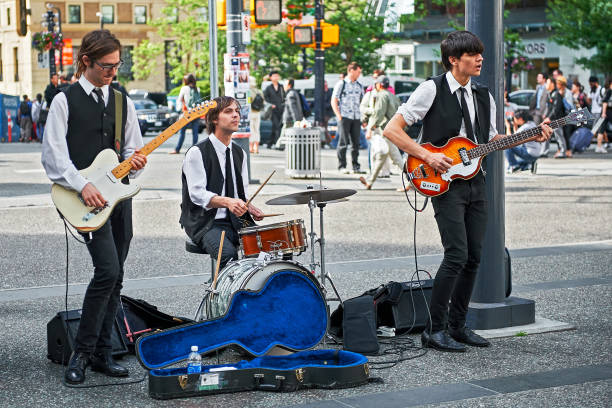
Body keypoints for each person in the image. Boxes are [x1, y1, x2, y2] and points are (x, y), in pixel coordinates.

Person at [383, 31, 552, 352]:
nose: (480, 59)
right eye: (473, 55)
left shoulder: (482, 95)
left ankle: (458, 327)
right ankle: (434, 329)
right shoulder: (430, 89)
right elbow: (391, 129)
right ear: (453, 60)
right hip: (443, 182)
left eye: (480, 54)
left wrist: (528, 136)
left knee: (475, 256)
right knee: (456, 254)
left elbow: (489, 140)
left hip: (476, 180)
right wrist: (426, 154)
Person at [41, 29, 147, 384]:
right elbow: (53, 156)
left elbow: (132, 147)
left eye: (117, 66)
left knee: (116, 276)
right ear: (86, 61)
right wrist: (82, 185)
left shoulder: (121, 99)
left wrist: (135, 161)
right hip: (82, 197)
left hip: (118, 197)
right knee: (106, 271)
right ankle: (81, 354)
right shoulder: (63, 100)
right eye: (106, 66)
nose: (112, 73)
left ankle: (104, 353)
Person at [180, 96, 264, 270]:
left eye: (237, 111)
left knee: (270, 248)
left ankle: (256, 294)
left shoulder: (240, 153)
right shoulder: (197, 152)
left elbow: (241, 195)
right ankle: (223, 295)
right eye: (228, 111)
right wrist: (228, 202)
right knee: (227, 255)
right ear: (213, 119)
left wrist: (249, 207)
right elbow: (197, 194)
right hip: (206, 222)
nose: (236, 116)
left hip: (236, 220)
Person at [358, 76, 403, 190]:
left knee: (395, 158)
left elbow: (378, 113)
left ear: (380, 85)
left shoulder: (381, 96)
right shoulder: (393, 96)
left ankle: (410, 181)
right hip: (392, 129)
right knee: (383, 156)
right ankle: (370, 182)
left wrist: (370, 128)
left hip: (385, 130)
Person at [332, 62, 365, 174]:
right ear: (351, 70)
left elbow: (362, 102)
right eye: (358, 72)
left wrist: (363, 118)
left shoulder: (359, 86)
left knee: (356, 143)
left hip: (356, 117)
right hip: (345, 117)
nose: (359, 74)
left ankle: (356, 166)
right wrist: (339, 116)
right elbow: (334, 100)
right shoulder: (341, 84)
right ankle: (342, 166)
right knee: (343, 142)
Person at [170, 73, 201, 154]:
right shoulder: (197, 88)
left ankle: (177, 149)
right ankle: (195, 150)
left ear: (186, 80)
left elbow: (179, 100)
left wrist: (179, 110)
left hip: (187, 113)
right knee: (195, 132)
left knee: (182, 132)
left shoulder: (184, 88)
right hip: (196, 113)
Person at [275, 78, 304, 149]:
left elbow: (293, 108)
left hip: (289, 119)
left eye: (285, 84)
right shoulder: (293, 93)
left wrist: (296, 120)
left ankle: (279, 146)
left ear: (289, 85)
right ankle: (281, 146)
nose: (284, 86)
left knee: (284, 133)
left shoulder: (290, 94)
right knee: (286, 133)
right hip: (291, 119)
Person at [545, 76, 569, 158]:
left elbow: (556, 108)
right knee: (552, 136)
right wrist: (547, 116)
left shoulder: (556, 94)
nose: (546, 85)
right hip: (553, 119)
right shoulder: (551, 94)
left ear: (552, 84)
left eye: (547, 83)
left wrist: (549, 117)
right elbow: (550, 108)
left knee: (559, 136)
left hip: (557, 119)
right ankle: (545, 151)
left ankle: (563, 152)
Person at [263, 71, 285, 148]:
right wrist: (271, 105)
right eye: (274, 76)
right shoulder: (268, 88)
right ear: (271, 77)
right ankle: (278, 144)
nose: (276, 77)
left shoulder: (281, 86)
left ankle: (270, 143)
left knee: (276, 127)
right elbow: (265, 98)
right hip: (273, 110)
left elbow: (284, 97)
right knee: (277, 126)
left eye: (277, 76)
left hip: (281, 109)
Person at [595, 78, 611, 153]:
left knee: (601, 129)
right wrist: (604, 113)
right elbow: (605, 102)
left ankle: (599, 146)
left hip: (606, 111)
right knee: (601, 129)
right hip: (607, 111)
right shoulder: (609, 91)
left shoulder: (608, 91)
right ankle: (598, 146)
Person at [249, 76, 264, 154]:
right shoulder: (259, 91)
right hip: (258, 113)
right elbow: (263, 102)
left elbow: (248, 103)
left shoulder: (248, 91)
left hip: (251, 112)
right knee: (257, 130)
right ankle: (256, 148)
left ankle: (251, 147)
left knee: (251, 129)